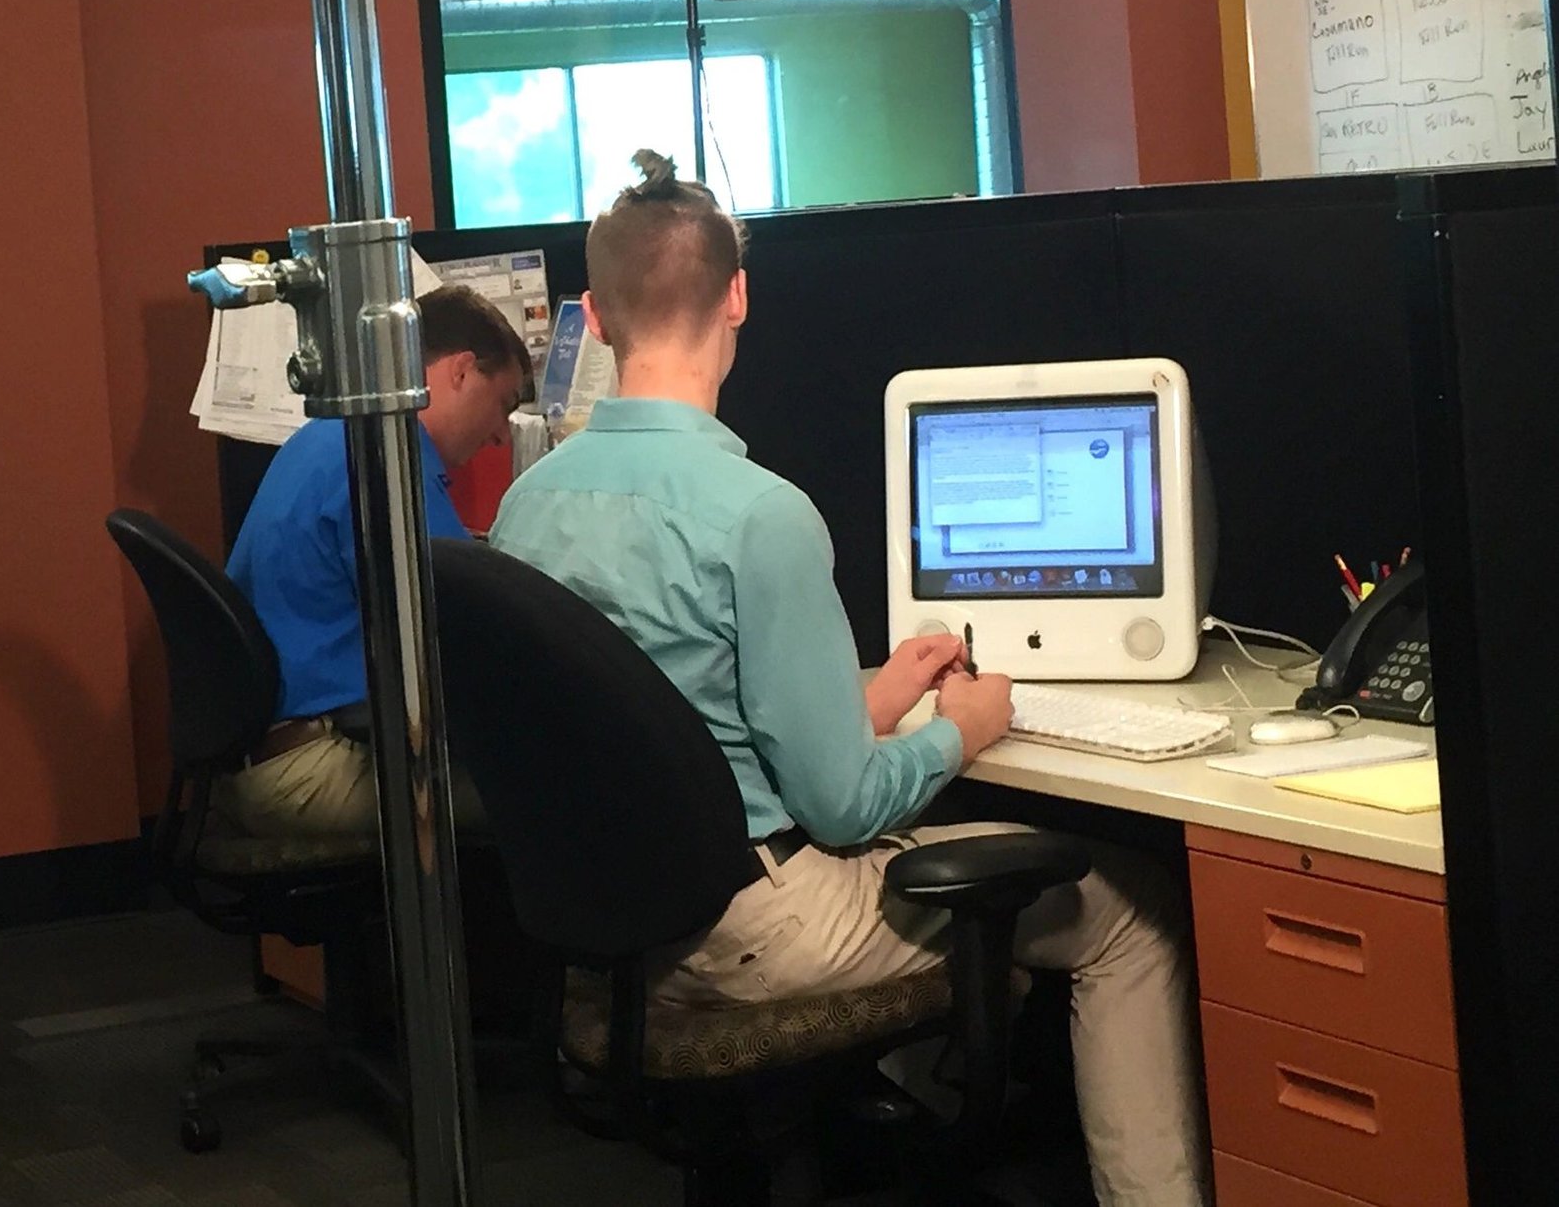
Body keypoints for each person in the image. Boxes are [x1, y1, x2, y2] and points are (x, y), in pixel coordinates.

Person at [490, 152, 1209, 1207]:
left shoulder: (529, 506)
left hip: (623, 934)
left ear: (593, 317)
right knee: (1130, 907)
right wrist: (960, 727)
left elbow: (683, 724)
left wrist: (874, 690)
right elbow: (839, 804)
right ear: (738, 293)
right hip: (752, 930)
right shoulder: (757, 512)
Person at [219, 282, 532, 840]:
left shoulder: (333, 434)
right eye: (502, 405)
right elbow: (458, 628)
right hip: (311, 766)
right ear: (460, 371)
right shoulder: (388, 460)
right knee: (554, 793)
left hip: (270, 745)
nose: (499, 436)